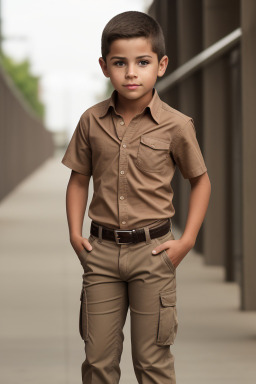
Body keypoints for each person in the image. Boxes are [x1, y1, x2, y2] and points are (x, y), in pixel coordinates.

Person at [61, 10, 211, 384]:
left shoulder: (177, 125)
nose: (131, 72)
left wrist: (187, 240)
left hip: (154, 254)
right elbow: (79, 179)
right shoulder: (90, 122)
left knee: (152, 362)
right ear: (104, 66)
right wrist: (74, 233)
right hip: (101, 253)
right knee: (98, 361)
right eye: (119, 63)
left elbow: (201, 180)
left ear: (160, 65)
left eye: (142, 62)